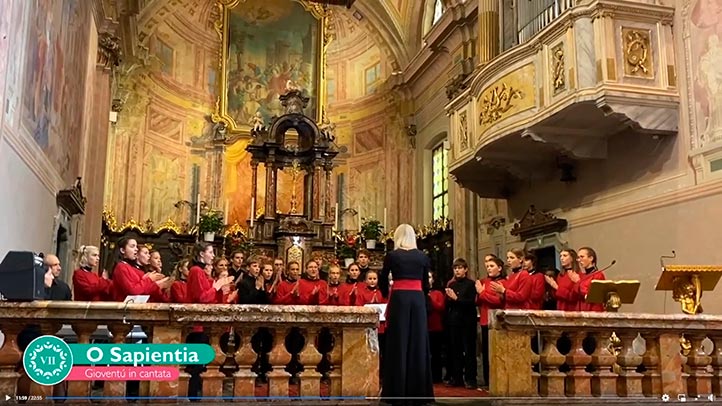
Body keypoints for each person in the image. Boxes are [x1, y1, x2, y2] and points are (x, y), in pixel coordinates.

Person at [379, 224, 434, 405]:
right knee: (418, 341)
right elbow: (426, 283)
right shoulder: (422, 256)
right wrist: (421, 296)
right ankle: (419, 391)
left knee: (398, 341)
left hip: (400, 299)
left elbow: (383, 279)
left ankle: (396, 391)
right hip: (417, 299)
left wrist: (388, 294)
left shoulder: (393, 256)